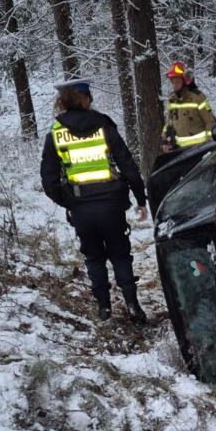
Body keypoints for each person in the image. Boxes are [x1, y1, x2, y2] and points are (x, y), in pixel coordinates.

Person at [40, 78, 149, 323]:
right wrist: (140, 199)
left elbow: (48, 181)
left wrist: (69, 201)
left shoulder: (55, 135)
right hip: (112, 206)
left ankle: (104, 308)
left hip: (81, 210)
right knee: (121, 255)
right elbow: (128, 166)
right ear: (85, 99)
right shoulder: (105, 127)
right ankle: (133, 305)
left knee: (94, 258)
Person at [161, 62, 216, 153]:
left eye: (178, 81)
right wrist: (164, 140)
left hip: (198, 150)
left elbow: (210, 121)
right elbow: (168, 122)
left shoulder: (198, 97)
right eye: (173, 82)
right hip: (178, 151)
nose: (175, 85)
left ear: (185, 80)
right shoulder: (171, 99)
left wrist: (210, 143)